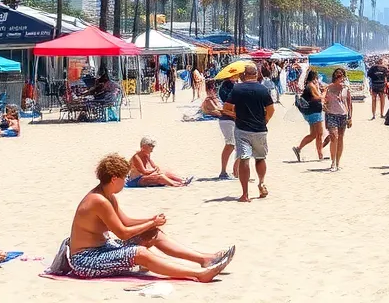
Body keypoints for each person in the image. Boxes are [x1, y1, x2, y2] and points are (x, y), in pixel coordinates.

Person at [68, 153, 235, 280]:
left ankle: (204, 259)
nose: (125, 182)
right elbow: (123, 233)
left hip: (103, 248)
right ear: (113, 179)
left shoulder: (108, 196)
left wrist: (151, 222)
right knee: (139, 253)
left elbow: (125, 222)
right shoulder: (98, 201)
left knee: (152, 233)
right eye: (124, 178)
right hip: (86, 260)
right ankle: (199, 274)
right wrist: (149, 223)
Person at [230, 63, 274, 201]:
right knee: (260, 158)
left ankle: (245, 194)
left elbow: (227, 107)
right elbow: (271, 109)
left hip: (242, 128)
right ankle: (261, 183)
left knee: (244, 158)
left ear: (244, 74)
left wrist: (236, 115)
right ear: (257, 74)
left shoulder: (237, 89)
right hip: (260, 129)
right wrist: (265, 120)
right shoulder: (263, 89)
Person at [292, 68, 330, 163]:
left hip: (310, 112)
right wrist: (325, 92)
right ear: (314, 77)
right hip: (314, 112)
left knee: (313, 134)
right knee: (319, 134)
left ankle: (299, 148)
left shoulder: (309, 85)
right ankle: (320, 155)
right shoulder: (311, 85)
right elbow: (317, 97)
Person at [127, 137, 192, 187]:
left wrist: (157, 169)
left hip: (143, 177)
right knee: (160, 176)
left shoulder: (146, 155)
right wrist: (155, 171)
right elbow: (144, 172)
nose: (152, 147)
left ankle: (182, 180)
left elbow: (154, 166)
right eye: (150, 145)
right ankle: (177, 185)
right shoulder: (136, 157)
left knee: (166, 172)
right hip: (135, 181)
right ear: (143, 146)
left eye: (153, 146)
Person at [323, 68, 353, 172]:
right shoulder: (329, 88)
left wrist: (350, 117)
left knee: (340, 138)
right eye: (338, 77)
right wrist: (324, 105)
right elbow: (324, 100)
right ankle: (333, 162)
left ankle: (338, 162)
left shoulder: (346, 89)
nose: (340, 79)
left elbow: (349, 103)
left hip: (343, 115)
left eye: (341, 77)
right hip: (331, 114)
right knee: (334, 137)